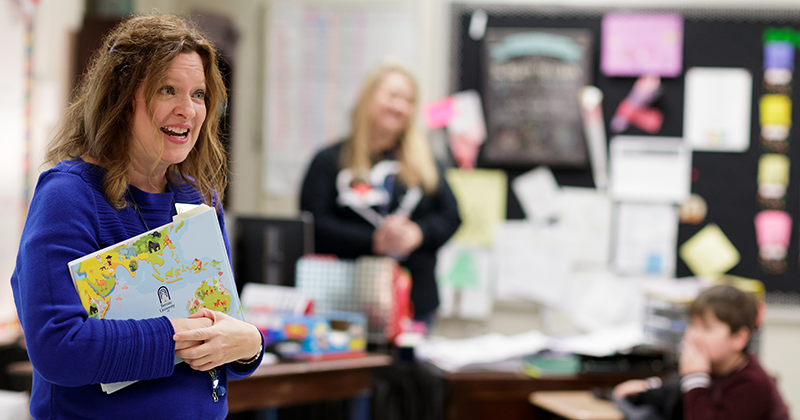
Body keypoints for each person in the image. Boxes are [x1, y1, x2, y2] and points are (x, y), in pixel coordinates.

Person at [10, 14, 264, 420]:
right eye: (169, 90)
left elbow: (225, 334)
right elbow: (58, 347)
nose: (189, 110)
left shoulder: (199, 199)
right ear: (122, 97)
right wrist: (181, 333)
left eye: (198, 94)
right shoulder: (68, 195)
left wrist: (251, 343)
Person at [300, 63, 461, 328]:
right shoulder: (329, 160)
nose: (400, 106)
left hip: (414, 304)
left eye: (409, 100)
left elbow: (452, 216)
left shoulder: (427, 163)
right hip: (344, 304)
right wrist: (373, 241)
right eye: (393, 96)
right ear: (368, 97)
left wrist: (418, 233)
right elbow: (312, 225)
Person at [612, 285, 790, 420]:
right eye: (692, 325)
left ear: (739, 338)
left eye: (706, 328)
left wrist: (695, 377)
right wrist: (650, 386)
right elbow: (680, 388)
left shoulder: (753, 383)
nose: (693, 335)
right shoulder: (716, 369)